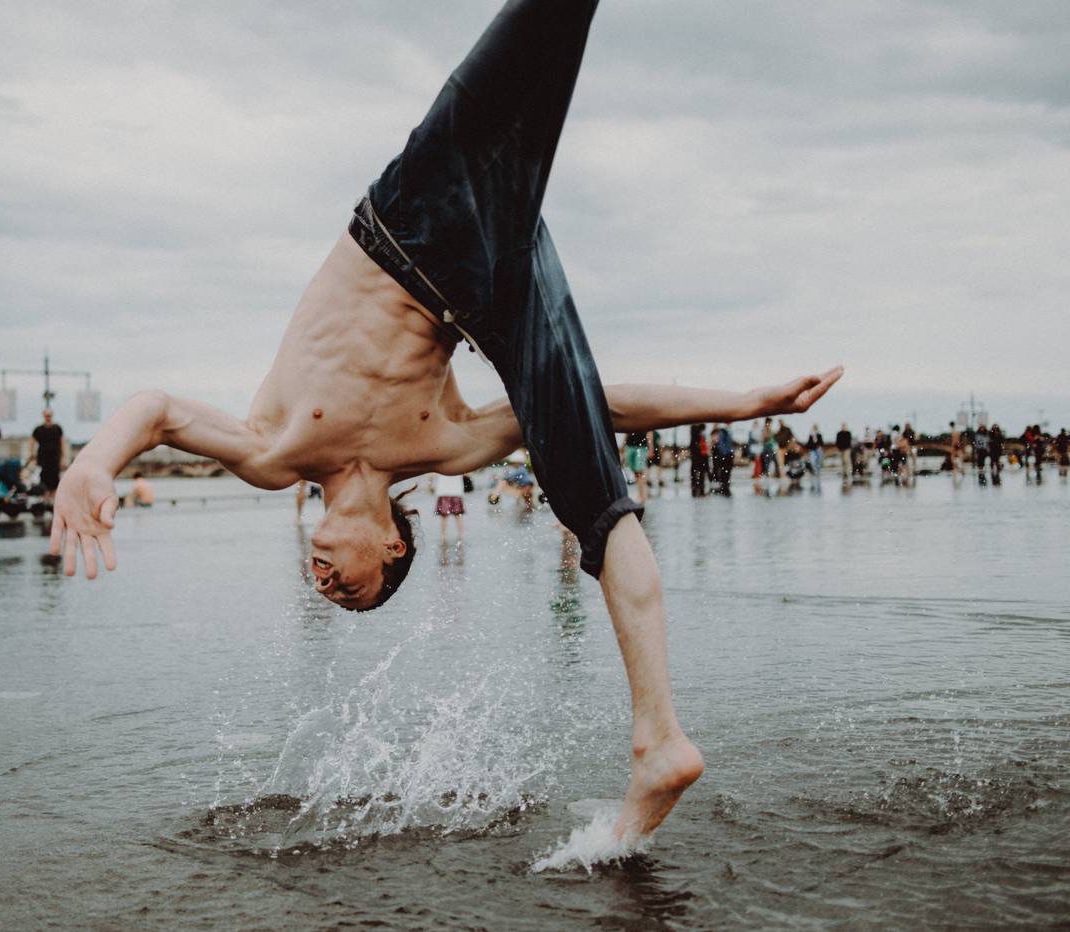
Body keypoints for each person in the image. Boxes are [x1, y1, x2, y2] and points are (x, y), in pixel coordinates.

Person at [50, 0, 841, 847]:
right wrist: (748, 402)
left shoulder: (274, 454)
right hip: (472, 261)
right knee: (589, 487)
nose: (325, 584)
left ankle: (658, 742)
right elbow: (602, 402)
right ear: (391, 550)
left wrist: (95, 462)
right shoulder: (448, 446)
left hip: (419, 221)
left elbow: (159, 411)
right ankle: (661, 740)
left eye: (330, 591)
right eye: (349, 589)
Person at [28, 409, 69, 503]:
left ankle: (53, 500)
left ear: (52, 416)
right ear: (43, 416)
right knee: (43, 479)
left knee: (55, 480)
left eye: (49, 415)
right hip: (43, 459)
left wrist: (64, 458)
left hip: (55, 459)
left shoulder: (57, 428)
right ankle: (44, 500)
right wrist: (32, 455)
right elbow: (31, 442)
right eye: (46, 415)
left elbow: (62, 442)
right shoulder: (38, 429)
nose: (48, 417)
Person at [433, 473, 467, 540]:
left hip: (444, 491)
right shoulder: (458, 464)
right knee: (458, 516)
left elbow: (431, 473)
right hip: (456, 492)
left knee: (444, 517)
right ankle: (461, 536)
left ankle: (443, 536)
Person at [710, 423, 734, 496]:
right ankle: (724, 484)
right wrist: (725, 453)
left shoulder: (726, 431)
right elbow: (721, 444)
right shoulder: (723, 432)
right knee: (725, 469)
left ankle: (724, 483)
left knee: (727, 469)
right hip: (727, 454)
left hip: (727, 453)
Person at [688, 423, 708, 497]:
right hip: (697, 453)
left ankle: (698, 484)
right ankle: (697, 485)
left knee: (699, 469)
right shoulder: (695, 429)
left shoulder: (698, 430)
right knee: (698, 469)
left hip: (699, 453)